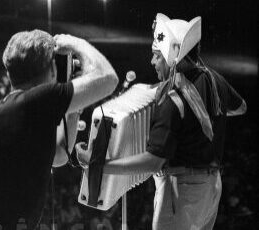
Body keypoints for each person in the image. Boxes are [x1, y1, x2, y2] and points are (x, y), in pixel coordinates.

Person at [77, 13, 246, 230]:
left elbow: (152, 162)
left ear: (171, 56)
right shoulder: (215, 79)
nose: (152, 61)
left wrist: (98, 164)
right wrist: (201, 117)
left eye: (157, 55)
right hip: (211, 188)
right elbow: (241, 108)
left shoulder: (172, 96)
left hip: (181, 191)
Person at [0, 29, 118, 229]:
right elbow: (109, 79)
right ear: (51, 69)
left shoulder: (10, 107)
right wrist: (75, 42)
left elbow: (59, 155)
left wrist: (74, 110)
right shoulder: (36, 101)